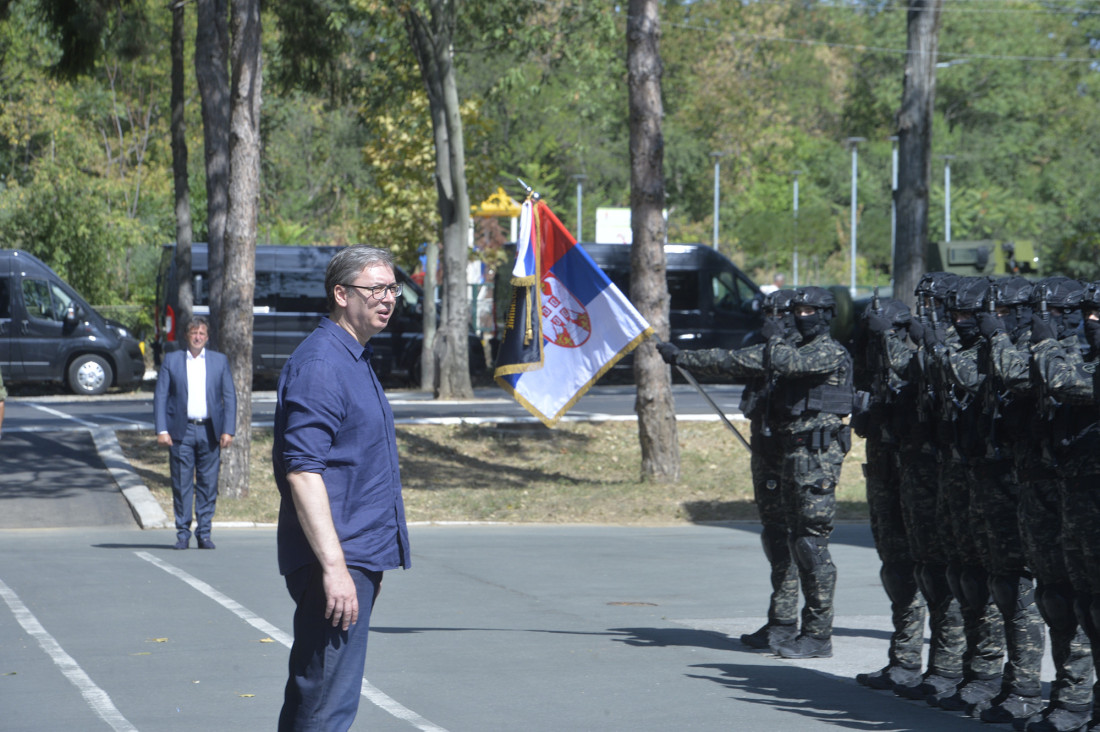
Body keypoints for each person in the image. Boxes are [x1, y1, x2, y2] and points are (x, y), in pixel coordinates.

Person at [659, 285, 853, 659]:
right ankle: (782, 622)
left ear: (825, 316)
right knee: (779, 538)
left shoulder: (827, 351)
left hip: (815, 457)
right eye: (787, 313)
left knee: (810, 544)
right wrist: (680, 356)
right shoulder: (779, 349)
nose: (792, 319)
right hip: (783, 453)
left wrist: (776, 340)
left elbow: (784, 363)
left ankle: (818, 633)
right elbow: (732, 360)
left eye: (802, 312)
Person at [273, 245, 412, 732]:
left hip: (355, 555)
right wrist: (334, 569)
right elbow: (303, 471)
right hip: (337, 558)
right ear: (340, 293)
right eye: (375, 288)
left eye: (392, 288)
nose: (388, 298)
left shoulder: (354, 357)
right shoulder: (322, 365)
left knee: (325, 696)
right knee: (325, 702)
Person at [853, 296, 928, 691]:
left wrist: (891, 339)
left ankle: (945, 666)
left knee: (929, 574)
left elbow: (909, 370)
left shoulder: (919, 358)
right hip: (883, 475)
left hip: (914, 480)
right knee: (894, 569)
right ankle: (903, 659)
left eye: (884, 333)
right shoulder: (875, 370)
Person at [153, 316, 236, 550]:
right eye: (193, 333)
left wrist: (228, 430)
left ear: (207, 337)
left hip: (210, 430)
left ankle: (204, 533)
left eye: (202, 333)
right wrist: (162, 429)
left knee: (208, 484)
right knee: (181, 483)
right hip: (182, 431)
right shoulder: (173, 361)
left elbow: (229, 397)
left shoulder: (219, 361)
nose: (198, 337)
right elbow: (160, 396)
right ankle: (182, 534)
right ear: (187, 336)